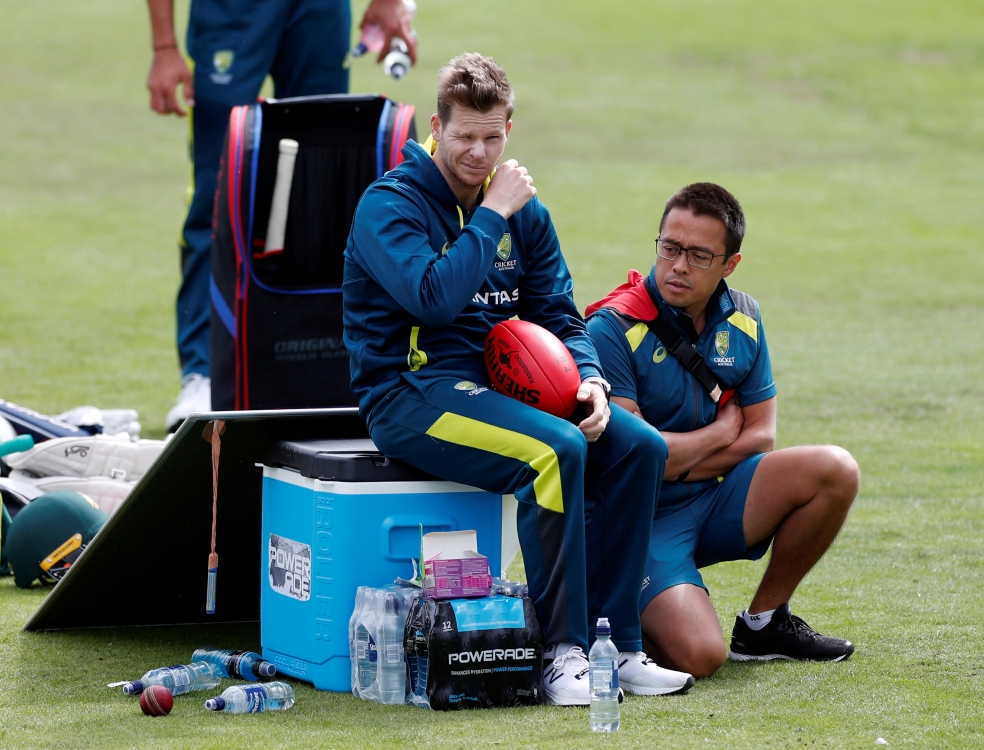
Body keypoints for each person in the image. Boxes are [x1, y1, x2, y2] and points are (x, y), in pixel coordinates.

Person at [342, 53, 694, 705]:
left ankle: (616, 647)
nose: (478, 152)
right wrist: (491, 215)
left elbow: (559, 312)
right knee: (553, 452)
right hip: (411, 394)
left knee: (640, 445)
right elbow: (433, 300)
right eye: (464, 136)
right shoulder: (389, 204)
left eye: (493, 136)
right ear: (437, 128)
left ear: (511, 129)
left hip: (505, 391)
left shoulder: (525, 213)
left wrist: (589, 381)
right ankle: (560, 654)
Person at [586, 183, 861, 678]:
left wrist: (688, 454)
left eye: (698, 255)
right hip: (642, 522)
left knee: (835, 470)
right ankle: (619, 609)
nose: (678, 266)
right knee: (701, 657)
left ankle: (763, 625)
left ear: (729, 265)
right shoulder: (610, 328)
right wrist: (720, 433)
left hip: (713, 500)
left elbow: (760, 437)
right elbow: (642, 455)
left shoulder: (746, 318)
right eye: (669, 248)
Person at [144, 0, 418, 430]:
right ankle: (203, 373)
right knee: (217, 191)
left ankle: (327, 367)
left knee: (323, 178)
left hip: (319, 9)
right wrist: (164, 46)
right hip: (230, 10)